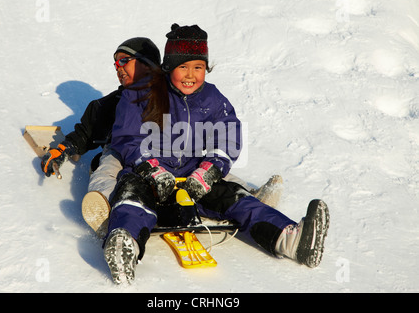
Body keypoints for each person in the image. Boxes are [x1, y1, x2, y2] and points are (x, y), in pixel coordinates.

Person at [104, 24, 330, 285]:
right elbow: (127, 137)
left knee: (236, 198)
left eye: (198, 67)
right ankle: (124, 244)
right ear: (168, 67)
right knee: (131, 198)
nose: (191, 75)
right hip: (148, 174)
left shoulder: (212, 98)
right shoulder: (142, 92)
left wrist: (210, 170)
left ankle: (289, 240)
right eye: (183, 67)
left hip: (192, 176)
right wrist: (149, 169)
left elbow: (227, 134)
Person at [39, 36, 271, 238]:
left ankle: (248, 197)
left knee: (206, 166)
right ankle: (105, 209)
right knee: (109, 167)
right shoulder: (108, 104)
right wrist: (62, 150)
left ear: (148, 64)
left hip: (168, 154)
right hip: (125, 153)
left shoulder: (172, 94)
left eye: (123, 61)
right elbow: (84, 134)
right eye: (115, 63)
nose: (117, 67)